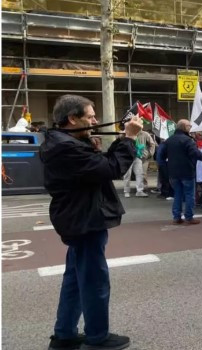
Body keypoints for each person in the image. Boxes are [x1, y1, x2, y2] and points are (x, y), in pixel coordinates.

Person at [40, 94, 141, 350]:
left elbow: (100, 165)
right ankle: (97, 337)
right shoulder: (68, 147)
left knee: (75, 277)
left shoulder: (63, 141)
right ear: (72, 119)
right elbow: (111, 169)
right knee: (94, 280)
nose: (95, 121)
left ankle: (64, 335)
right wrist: (128, 138)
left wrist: (109, 144)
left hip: (78, 216)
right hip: (84, 219)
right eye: (90, 116)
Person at [160, 120, 202, 225]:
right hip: (187, 171)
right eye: (189, 126)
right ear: (184, 127)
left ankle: (176, 217)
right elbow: (196, 154)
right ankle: (189, 217)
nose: (191, 128)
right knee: (189, 195)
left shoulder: (168, 140)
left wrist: (166, 169)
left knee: (178, 194)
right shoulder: (188, 140)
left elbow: (160, 156)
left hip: (173, 173)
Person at [123, 130, 155, 198]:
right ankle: (126, 191)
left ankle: (139, 191)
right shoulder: (127, 132)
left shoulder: (144, 134)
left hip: (138, 156)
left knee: (140, 173)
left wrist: (149, 154)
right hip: (128, 156)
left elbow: (152, 144)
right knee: (127, 174)